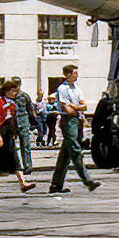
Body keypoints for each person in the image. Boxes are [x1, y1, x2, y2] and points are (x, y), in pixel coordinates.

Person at [50, 65, 100, 194]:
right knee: (75, 150)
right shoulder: (62, 89)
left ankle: (56, 185)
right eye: (74, 73)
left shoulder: (77, 89)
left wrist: (76, 107)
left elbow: (83, 105)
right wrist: (77, 107)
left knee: (65, 155)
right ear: (68, 75)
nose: (76, 75)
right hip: (68, 121)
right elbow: (67, 109)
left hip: (77, 120)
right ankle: (88, 180)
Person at [0, 81, 36, 192]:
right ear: (7, 91)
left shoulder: (11, 103)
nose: (15, 93)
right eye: (13, 91)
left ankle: (23, 182)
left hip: (9, 133)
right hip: (0, 133)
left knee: (14, 158)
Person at [10, 82, 37, 174]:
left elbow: (30, 109)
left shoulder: (24, 96)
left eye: (16, 85)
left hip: (23, 121)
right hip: (12, 122)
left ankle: (27, 166)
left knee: (25, 145)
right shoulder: (9, 95)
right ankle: (15, 166)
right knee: (11, 145)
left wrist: (33, 122)